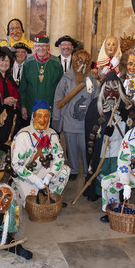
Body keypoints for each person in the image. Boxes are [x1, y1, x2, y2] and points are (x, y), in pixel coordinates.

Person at [83, 71, 135, 201]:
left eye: (115, 90)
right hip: (102, 148)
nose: (111, 94)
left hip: (119, 147)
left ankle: (116, 195)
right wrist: (102, 132)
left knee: (115, 171)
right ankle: (98, 192)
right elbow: (90, 127)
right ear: (102, 90)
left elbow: (134, 128)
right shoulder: (95, 105)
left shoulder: (128, 105)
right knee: (100, 170)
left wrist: (125, 117)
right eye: (107, 90)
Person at [10, 100, 70, 206]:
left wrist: (49, 176)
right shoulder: (23, 135)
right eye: (39, 116)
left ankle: (50, 195)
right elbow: (16, 165)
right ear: (33, 117)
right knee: (32, 205)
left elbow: (59, 157)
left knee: (65, 170)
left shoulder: (52, 134)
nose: (42, 120)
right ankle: (27, 191)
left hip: (43, 170)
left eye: (46, 116)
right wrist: (36, 180)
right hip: (26, 175)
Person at [52, 49, 98, 180]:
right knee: (71, 147)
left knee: (85, 148)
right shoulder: (66, 78)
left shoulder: (92, 79)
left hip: (85, 123)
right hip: (69, 121)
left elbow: (97, 99)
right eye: (79, 61)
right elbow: (58, 99)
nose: (82, 64)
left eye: (85, 61)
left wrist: (95, 120)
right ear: (74, 61)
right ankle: (73, 169)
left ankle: (86, 172)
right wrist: (56, 118)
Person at [19, 35, 63, 121]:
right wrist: (23, 106)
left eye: (44, 46)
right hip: (31, 108)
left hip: (50, 109)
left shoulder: (56, 63)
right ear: (34, 47)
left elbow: (61, 88)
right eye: (38, 46)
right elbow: (23, 87)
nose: (41, 48)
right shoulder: (28, 63)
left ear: (48, 47)